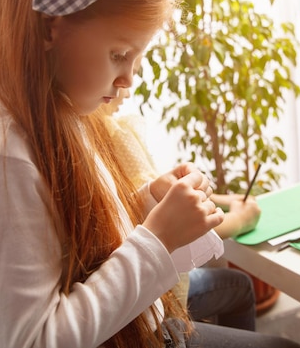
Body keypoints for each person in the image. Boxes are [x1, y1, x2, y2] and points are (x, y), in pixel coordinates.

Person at [0, 0, 300, 347]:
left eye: (137, 58)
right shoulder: (4, 161)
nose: (128, 79)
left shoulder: (66, 114)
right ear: (52, 26)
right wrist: (157, 238)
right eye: (119, 54)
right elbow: (34, 339)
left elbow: (79, 251)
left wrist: (146, 204)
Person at [102, 87, 261, 332]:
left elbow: (156, 191)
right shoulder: (115, 134)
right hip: (159, 299)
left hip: (141, 291)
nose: (128, 88)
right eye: (118, 57)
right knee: (240, 286)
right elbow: (176, 222)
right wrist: (241, 220)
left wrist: (221, 198)